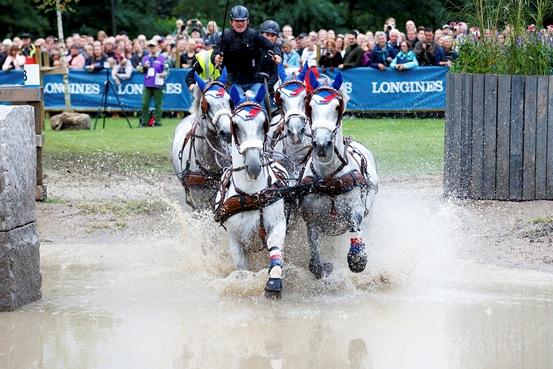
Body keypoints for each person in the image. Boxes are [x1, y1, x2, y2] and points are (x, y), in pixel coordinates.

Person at [212, 5, 282, 95]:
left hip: (254, 81)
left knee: (259, 100)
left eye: (242, 21)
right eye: (237, 21)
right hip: (232, 81)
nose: (240, 24)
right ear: (231, 22)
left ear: (247, 21)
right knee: (239, 101)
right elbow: (215, 53)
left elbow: (273, 46)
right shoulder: (225, 36)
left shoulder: (254, 34)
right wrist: (216, 58)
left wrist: (277, 54)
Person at [139, 39, 166, 127]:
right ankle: (144, 122)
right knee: (144, 103)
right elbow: (139, 70)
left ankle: (157, 122)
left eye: (153, 46)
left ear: (157, 47)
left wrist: (164, 73)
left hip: (158, 83)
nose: (151, 48)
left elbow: (167, 69)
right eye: (150, 47)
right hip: (147, 83)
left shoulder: (162, 57)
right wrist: (143, 67)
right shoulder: (145, 58)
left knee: (157, 104)